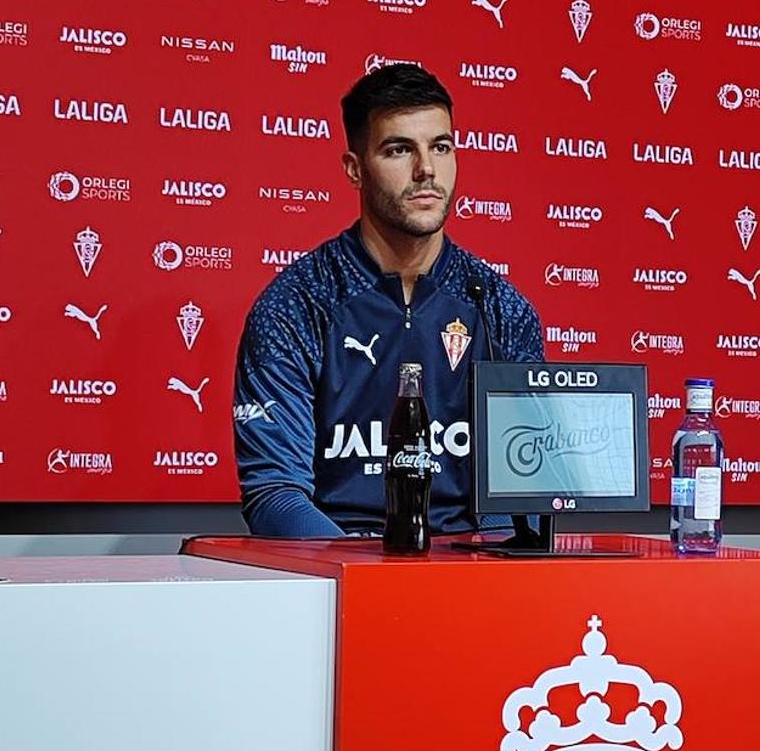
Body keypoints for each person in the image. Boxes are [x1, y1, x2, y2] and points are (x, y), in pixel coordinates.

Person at [233, 64, 543, 537]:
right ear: (355, 169)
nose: (426, 170)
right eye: (399, 150)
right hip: (341, 572)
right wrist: (373, 584)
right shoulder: (295, 306)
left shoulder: (501, 307)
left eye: (441, 147)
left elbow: (524, 491)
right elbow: (276, 494)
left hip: (470, 572)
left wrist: (486, 565)